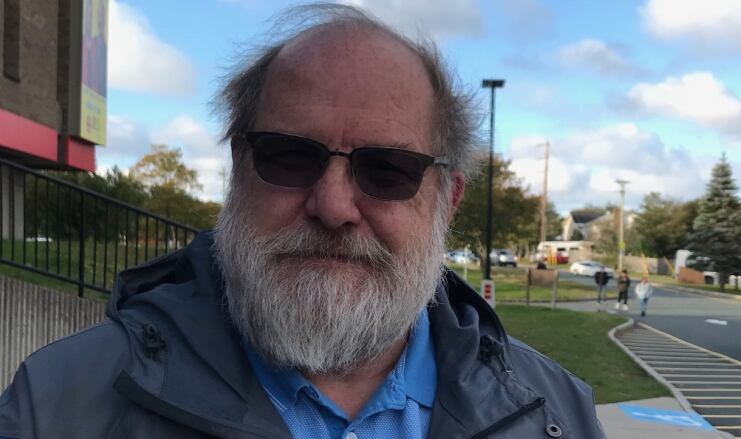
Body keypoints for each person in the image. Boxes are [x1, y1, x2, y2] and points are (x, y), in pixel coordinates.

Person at [0, 5, 604, 438]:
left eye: (388, 169)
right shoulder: (57, 405)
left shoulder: (557, 414)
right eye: (290, 156)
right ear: (239, 169)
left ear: (446, 201)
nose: (334, 207)